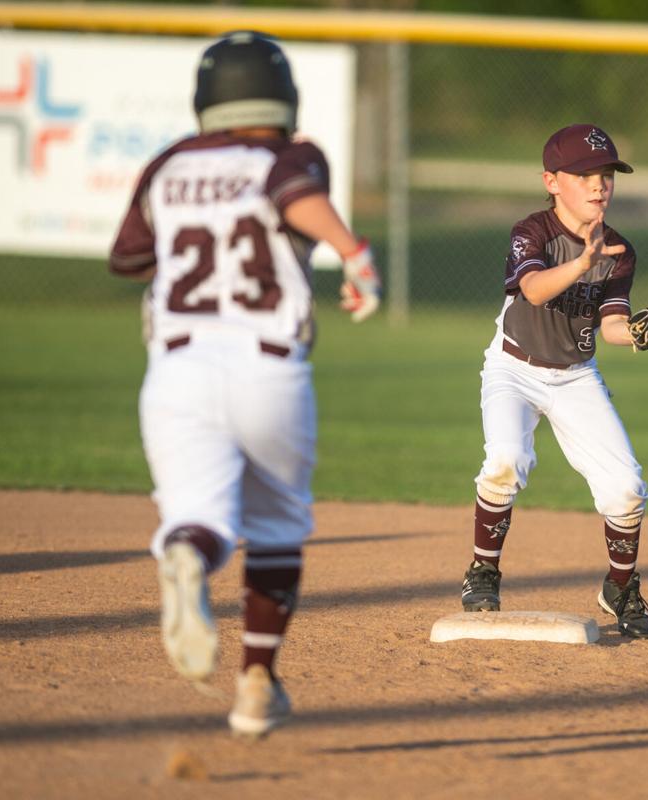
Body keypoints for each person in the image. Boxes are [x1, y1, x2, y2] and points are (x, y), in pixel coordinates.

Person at [108, 31, 380, 737]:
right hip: (268, 365)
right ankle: (256, 681)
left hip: (177, 367)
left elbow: (129, 257)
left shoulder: (168, 164)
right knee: (277, 526)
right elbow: (294, 198)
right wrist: (353, 253)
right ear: (282, 96)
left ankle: (187, 556)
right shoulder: (291, 154)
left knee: (199, 517)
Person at [458, 123, 648, 638]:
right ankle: (483, 571)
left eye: (607, 174)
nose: (599, 185)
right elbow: (536, 289)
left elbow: (611, 324)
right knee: (506, 462)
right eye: (585, 174)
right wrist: (583, 262)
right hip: (514, 368)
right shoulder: (533, 231)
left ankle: (620, 587)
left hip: (575, 376)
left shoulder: (619, 250)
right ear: (552, 181)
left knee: (627, 489)